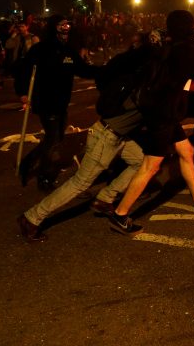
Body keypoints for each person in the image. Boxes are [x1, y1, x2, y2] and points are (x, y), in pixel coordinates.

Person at [16, 38, 158, 243]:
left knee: (140, 161)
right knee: (80, 183)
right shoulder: (141, 84)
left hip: (119, 136)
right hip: (107, 137)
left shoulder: (135, 78)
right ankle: (31, 218)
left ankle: (105, 198)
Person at [108, 10, 194, 236]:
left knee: (186, 150)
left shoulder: (170, 47)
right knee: (150, 166)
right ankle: (120, 214)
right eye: (193, 24)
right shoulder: (186, 50)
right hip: (163, 114)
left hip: (160, 109)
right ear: (188, 27)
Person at [15, 15, 99, 192]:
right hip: (45, 99)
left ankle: (28, 163)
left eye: (67, 24)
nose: (65, 28)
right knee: (53, 138)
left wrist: (106, 71)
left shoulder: (69, 50)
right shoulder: (41, 49)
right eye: (61, 25)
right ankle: (44, 176)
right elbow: (24, 70)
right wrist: (22, 92)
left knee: (57, 137)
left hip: (61, 101)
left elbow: (82, 69)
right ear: (54, 28)